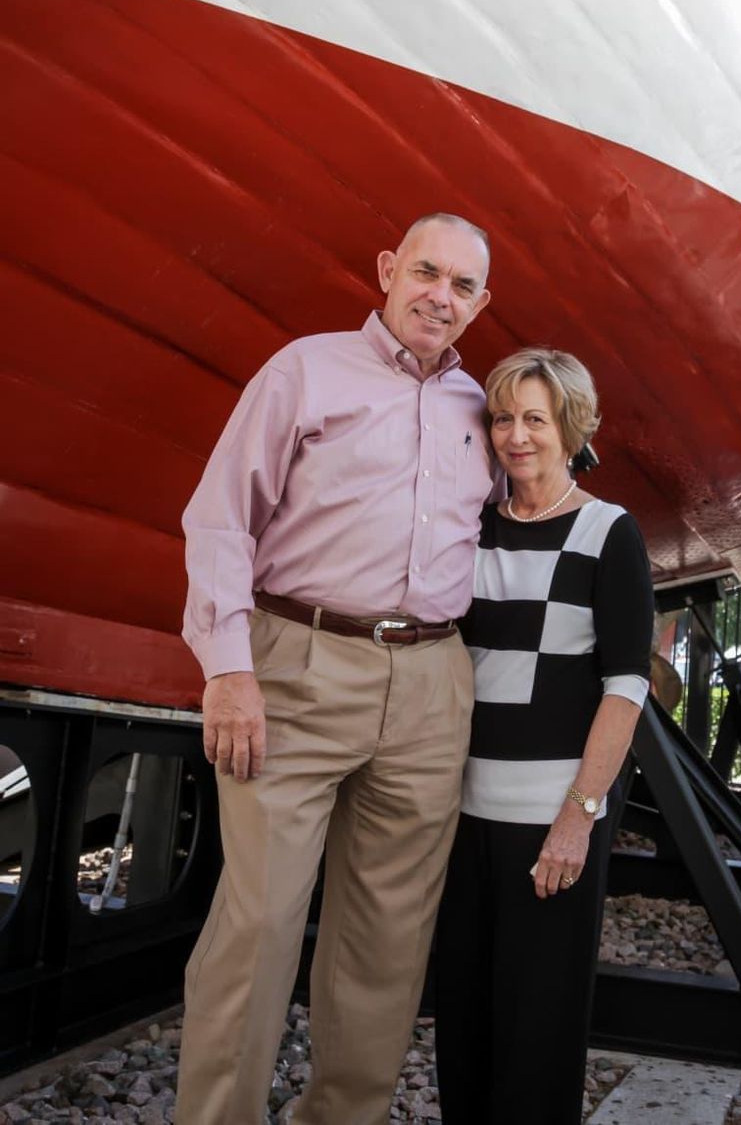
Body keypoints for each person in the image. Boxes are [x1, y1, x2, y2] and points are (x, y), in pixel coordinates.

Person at [174, 213, 495, 1125]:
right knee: (260, 927)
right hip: (295, 671)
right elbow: (220, 521)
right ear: (389, 271)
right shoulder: (305, 370)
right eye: (427, 272)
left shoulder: (482, 408)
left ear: (480, 304)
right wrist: (229, 671)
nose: (441, 296)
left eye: (463, 286)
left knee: (388, 945)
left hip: (432, 681)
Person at [434, 348, 654, 1125]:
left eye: (536, 418)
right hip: (459, 819)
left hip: (547, 824)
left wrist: (579, 815)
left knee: (539, 1033)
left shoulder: (607, 533)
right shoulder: (472, 526)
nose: (516, 436)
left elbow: (627, 685)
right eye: (503, 418)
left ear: (571, 428)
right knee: (462, 1024)